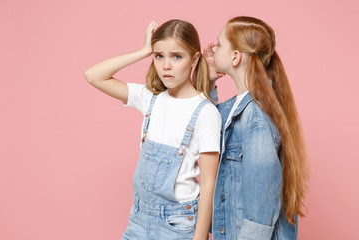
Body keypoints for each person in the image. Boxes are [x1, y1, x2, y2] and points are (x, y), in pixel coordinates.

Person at [84, 19, 221, 240]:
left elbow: (208, 184)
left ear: (195, 58)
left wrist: (200, 238)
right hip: (139, 218)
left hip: (179, 224)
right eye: (159, 56)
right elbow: (94, 75)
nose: (166, 65)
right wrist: (143, 50)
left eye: (177, 56)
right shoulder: (150, 99)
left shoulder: (206, 113)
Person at [203, 16, 308, 239]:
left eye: (219, 43)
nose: (213, 49)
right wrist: (209, 81)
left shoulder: (256, 117)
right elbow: (206, 130)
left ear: (235, 57)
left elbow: (261, 210)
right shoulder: (235, 107)